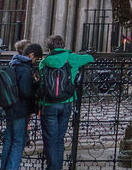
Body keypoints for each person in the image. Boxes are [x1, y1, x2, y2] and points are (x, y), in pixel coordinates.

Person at [39, 35, 94, 170]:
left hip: (48, 104)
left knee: (50, 139)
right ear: (63, 46)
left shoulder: (44, 62)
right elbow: (90, 58)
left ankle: (52, 167)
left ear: (49, 48)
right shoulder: (72, 58)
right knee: (59, 138)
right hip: (66, 102)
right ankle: (58, 167)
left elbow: (41, 82)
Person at [0, 42, 41, 170]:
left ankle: (4, 166)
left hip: (9, 107)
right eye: (36, 59)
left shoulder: (13, 64)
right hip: (20, 109)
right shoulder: (25, 68)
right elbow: (25, 92)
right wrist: (35, 84)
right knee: (18, 141)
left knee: (8, 139)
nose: (36, 62)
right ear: (31, 54)